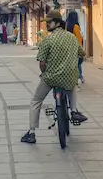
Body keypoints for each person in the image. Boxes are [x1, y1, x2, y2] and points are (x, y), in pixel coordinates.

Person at [21, 10, 88, 143]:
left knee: (36, 101)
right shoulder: (72, 38)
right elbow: (83, 53)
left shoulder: (48, 40)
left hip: (50, 78)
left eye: (49, 22)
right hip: (69, 77)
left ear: (57, 23)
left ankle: (32, 132)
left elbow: (42, 63)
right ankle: (74, 110)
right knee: (72, 84)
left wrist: (44, 72)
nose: (46, 25)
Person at [65, 11, 85, 85]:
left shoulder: (66, 26)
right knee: (78, 63)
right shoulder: (75, 26)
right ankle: (79, 76)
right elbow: (78, 38)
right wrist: (80, 49)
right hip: (75, 47)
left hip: (67, 46)